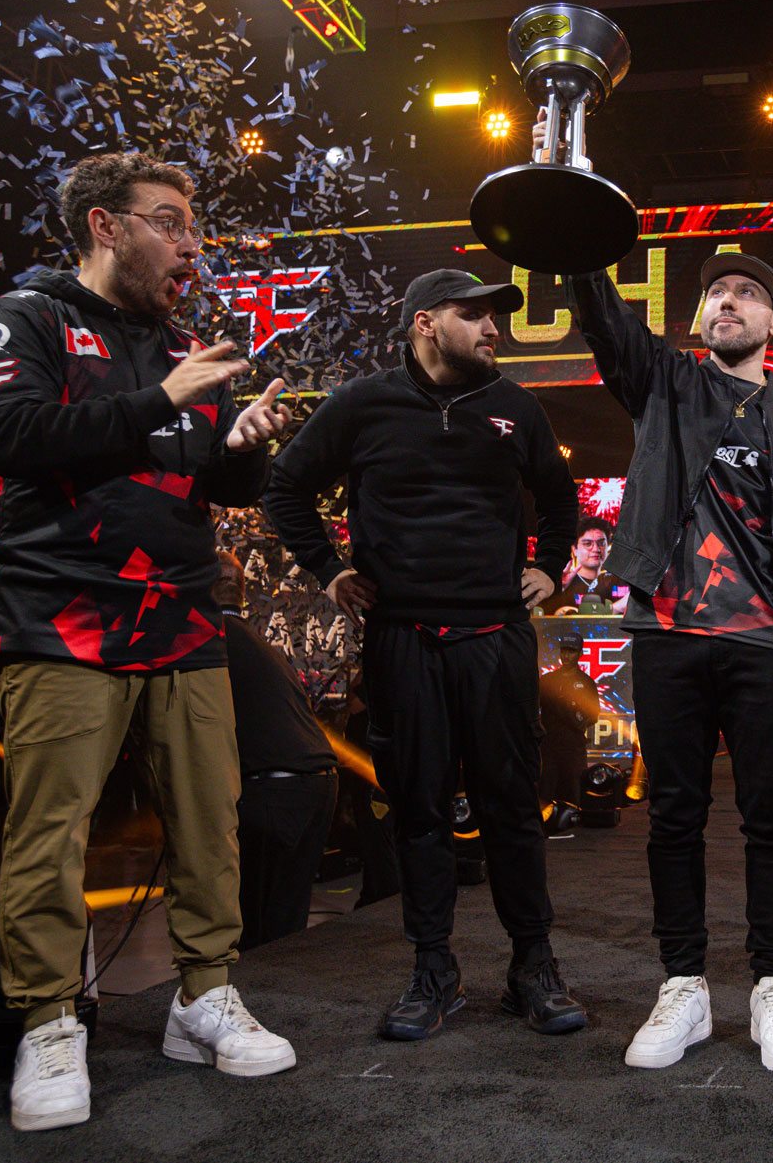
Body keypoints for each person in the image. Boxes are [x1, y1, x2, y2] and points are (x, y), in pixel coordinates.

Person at [0, 152, 295, 1132]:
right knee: (50, 830)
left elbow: (216, 486)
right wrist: (166, 400)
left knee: (209, 816)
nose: (189, 243)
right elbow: (11, 435)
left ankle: (202, 996)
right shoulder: (25, 317)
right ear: (106, 227)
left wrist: (246, 445)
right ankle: (50, 1021)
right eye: (168, 221)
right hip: (60, 614)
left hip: (183, 618)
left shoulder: (177, 345)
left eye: (192, 225)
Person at [559, 201, 773, 1073]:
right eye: (714, 294)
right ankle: (683, 984)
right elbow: (605, 319)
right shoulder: (666, 384)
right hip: (667, 633)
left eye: (743, 293)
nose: (725, 302)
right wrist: (575, 223)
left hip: (766, 644)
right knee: (675, 816)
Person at [261, 268, 586, 1044]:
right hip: (403, 639)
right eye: (473, 315)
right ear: (424, 323)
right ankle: (433, 969)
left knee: (512, 808)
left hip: (494, 638)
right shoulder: (362, 403)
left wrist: (553, 561)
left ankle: (532, 967)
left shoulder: (516, 407)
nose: (491, 328)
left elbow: (562, 496)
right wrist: (329, 566)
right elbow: (285, 487)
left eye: (493, 317)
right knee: (420, 813)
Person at [213, 552, 339, 951]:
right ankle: (283, 1004)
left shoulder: (211, 641)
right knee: (285, 925)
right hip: (315, 783)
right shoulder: (257, 642)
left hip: (274, 790)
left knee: (255, 925)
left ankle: (255, 1003)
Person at [537, 631, 598, 837]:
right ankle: (545, 822)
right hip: (549, 744)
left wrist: (579, 718)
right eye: (564, 650)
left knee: (573, 783)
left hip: (573, 744)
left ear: (580, 653)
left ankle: (570, 823)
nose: (566, 655)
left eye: (571, 651)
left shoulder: (587, 682)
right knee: (547, 784)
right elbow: (534, 709)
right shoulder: (546, 681)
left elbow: (594, 714)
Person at [543, 517, 631, 615]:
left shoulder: (620, 582)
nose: (596, 549)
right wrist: (559, 587)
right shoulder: (565, 583)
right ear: (575, 549)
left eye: (601, 543)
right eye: (588, 544)